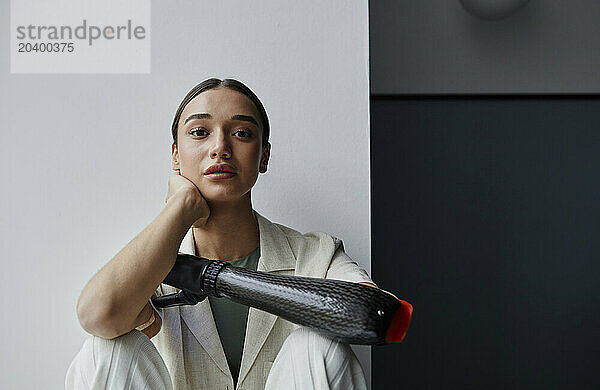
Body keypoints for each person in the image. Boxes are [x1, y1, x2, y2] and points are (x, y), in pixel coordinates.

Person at [66, 78, 379, 390]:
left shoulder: (316, 255)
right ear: (176, 156)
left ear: (264, 156)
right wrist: (180, 207)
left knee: (314, 344)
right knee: (108, 347)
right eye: (200, 133)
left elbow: (371, 312)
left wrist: (217, 279)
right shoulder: (148, 264)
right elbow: (96, 315)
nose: (220, 148)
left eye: (242, 133)